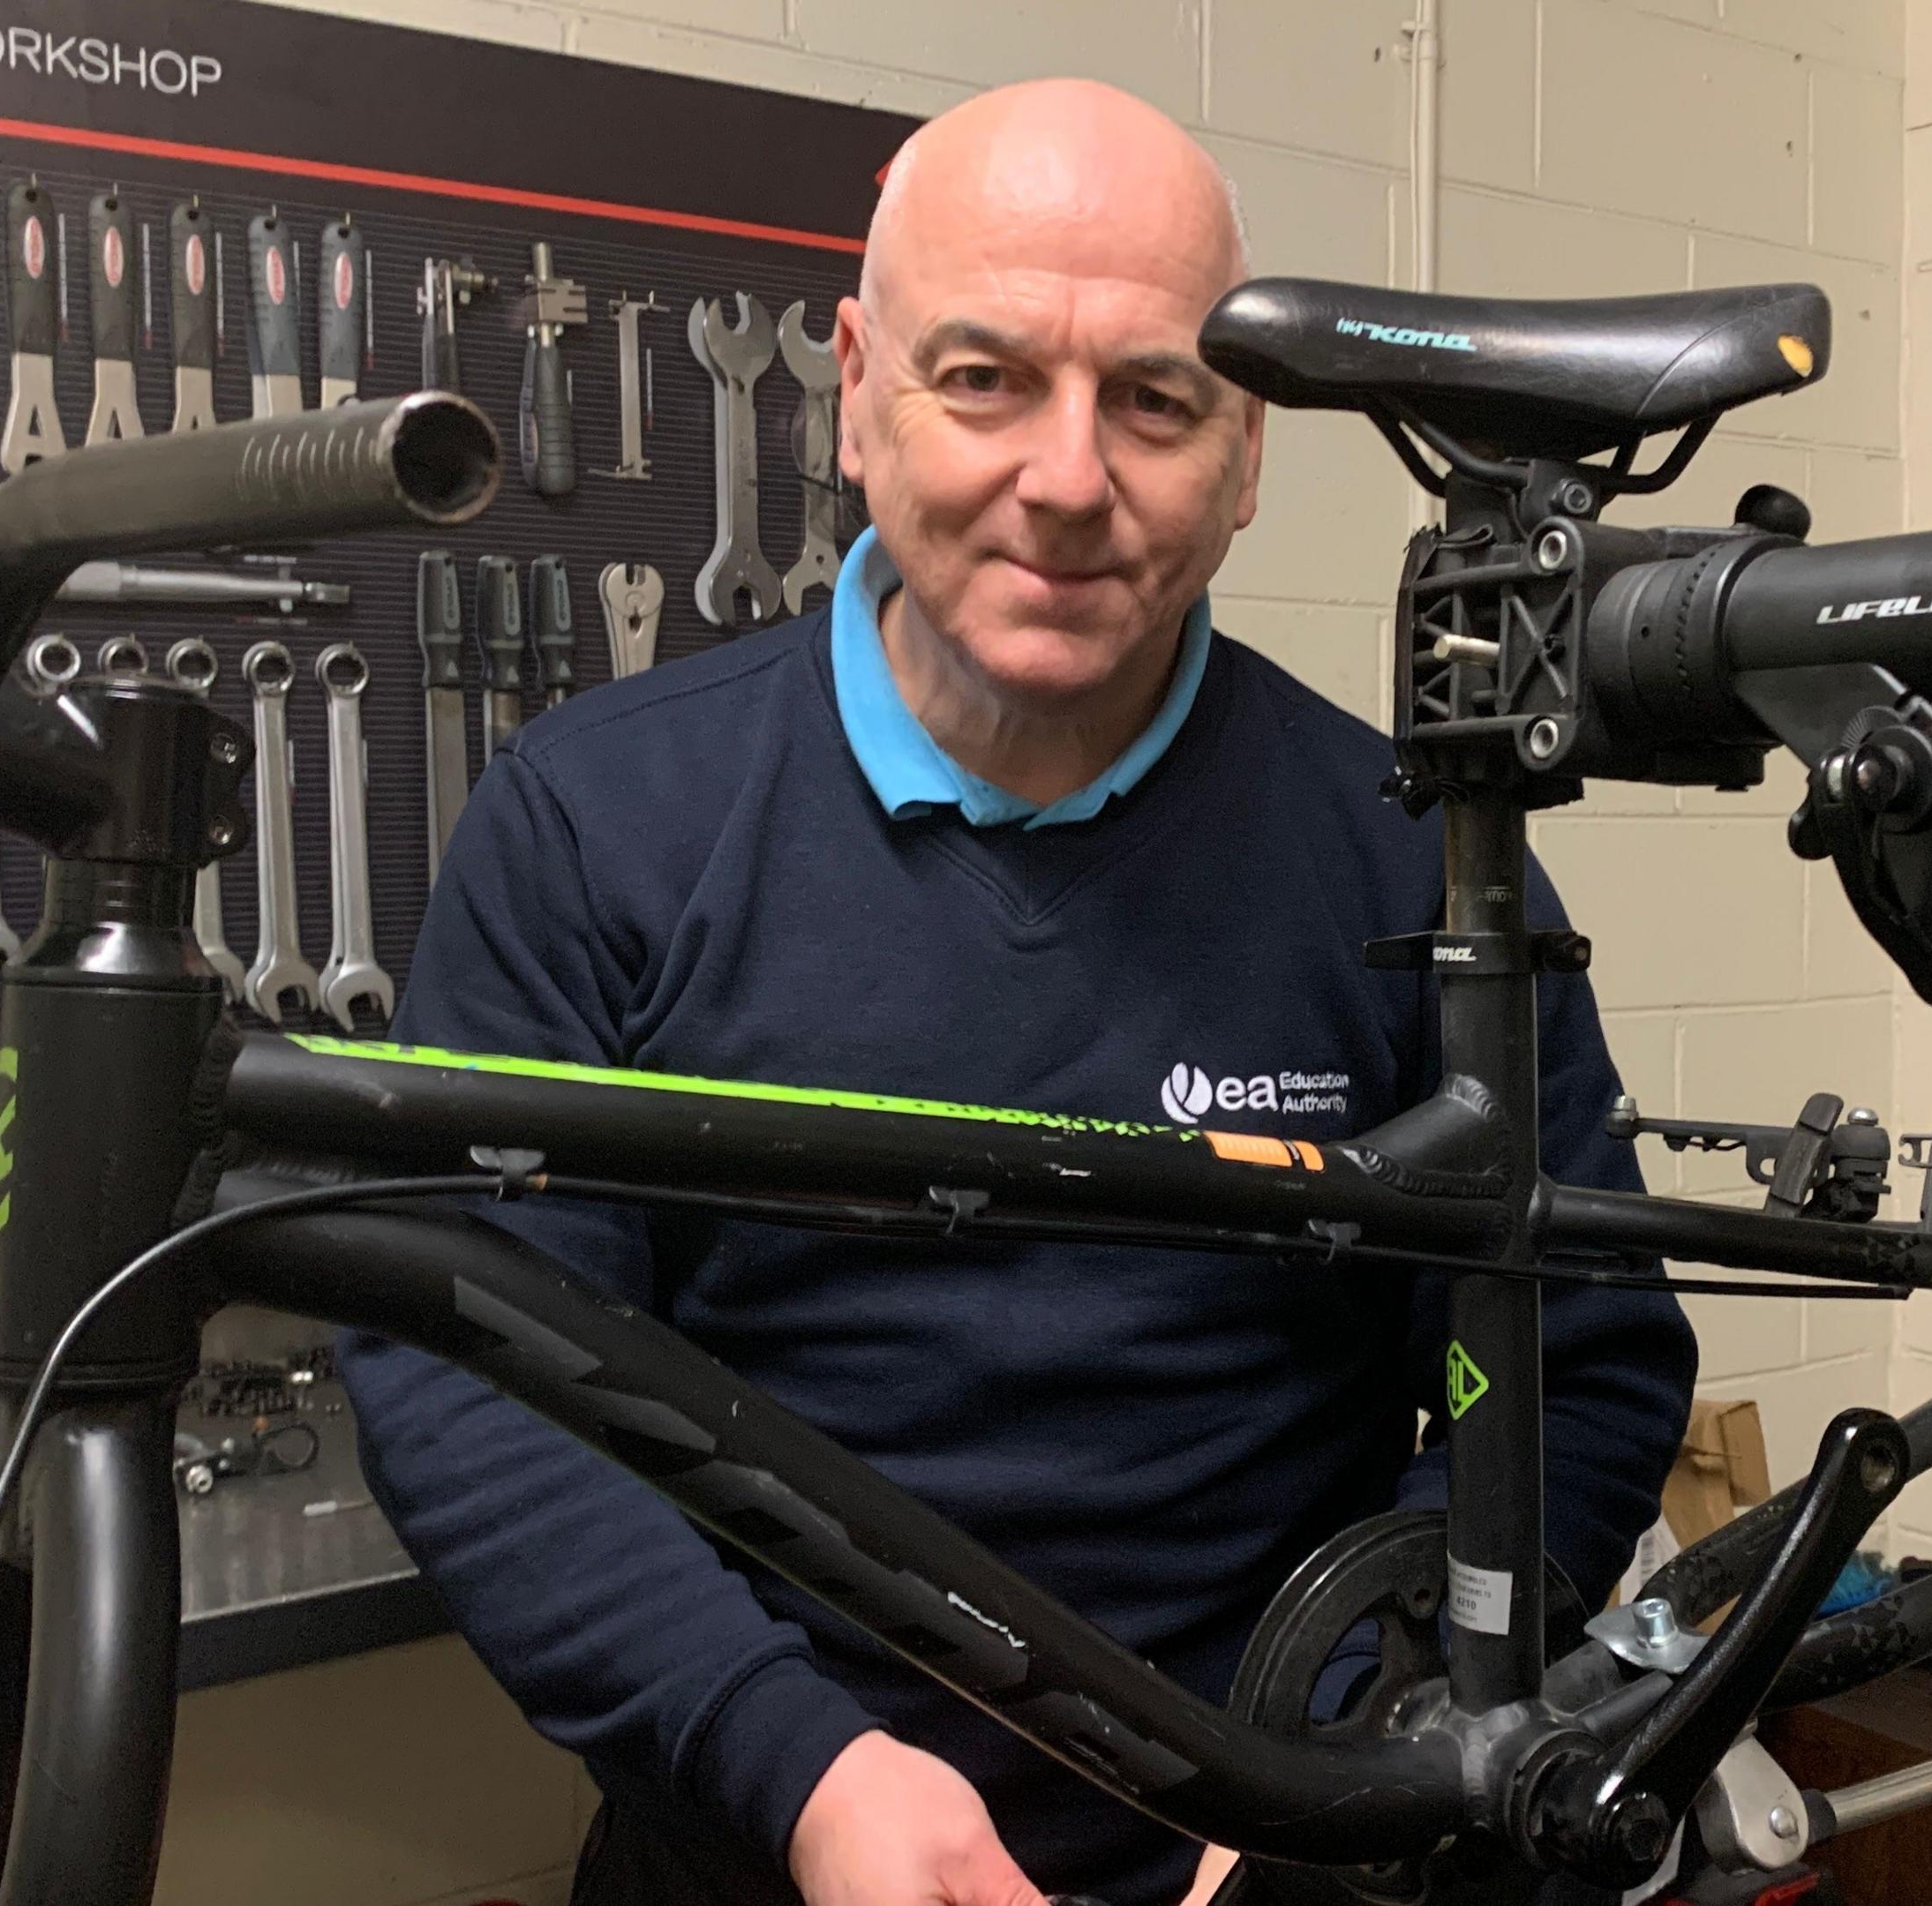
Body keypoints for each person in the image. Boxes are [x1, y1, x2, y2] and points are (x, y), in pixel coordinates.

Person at [341, 77, 1696, 1906]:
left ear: (1247, 451)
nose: (1069, 480)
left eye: (1154, 399)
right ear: (856, 383)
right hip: (760, 1848)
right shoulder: (594, 827)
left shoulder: (1412, 863)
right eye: (986, 378)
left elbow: (1584, 1370)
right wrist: (798, 1771)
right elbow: (473, 1377)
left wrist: (1362, 1751)